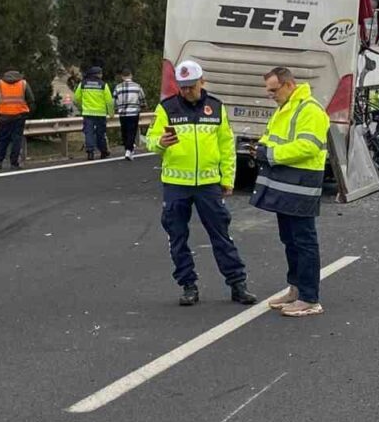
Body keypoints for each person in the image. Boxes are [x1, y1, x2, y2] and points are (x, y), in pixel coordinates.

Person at [146, 60, 252, 307]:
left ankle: (238, 284)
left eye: (191, 87)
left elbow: (227, 146)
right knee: (177, 236)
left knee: (221, 235)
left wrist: (227, 179)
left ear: (202, 82)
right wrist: (160, 142)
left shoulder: (215, 108)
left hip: (208, 184)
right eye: (182, 87)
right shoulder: (167, 108)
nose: (186, 91)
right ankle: (188, 285)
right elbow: (150, 141)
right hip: (176, 184)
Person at [254, 67, 330, 318]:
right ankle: (296, 289)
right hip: (285, 183)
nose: (271, 95)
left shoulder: (310, 110)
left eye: (274, 90)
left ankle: (310, 297)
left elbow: (309, 146)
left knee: (304, 240)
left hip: (302, 183)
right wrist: (261, 148)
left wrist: (272, 154)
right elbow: (270, 137)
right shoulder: (284, 109)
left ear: (289, 85)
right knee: (289, 239)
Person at [0, 69, 35, 171]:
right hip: (19, 115)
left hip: (4, 115)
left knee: (3, 138)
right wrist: (29, 112)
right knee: (17, 139)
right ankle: (14, 162)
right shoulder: (23, 83)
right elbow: (31, 99)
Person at [73, 66, 115, 160]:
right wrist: (111, 113)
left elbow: (76, 99)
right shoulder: (103, 85)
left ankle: (90, 152)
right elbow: (109, 101)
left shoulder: (83, 84)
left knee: (89, 133)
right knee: (101, 133)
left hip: (87, 113)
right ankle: (103, 151)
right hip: (100, 113)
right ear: (98, 74)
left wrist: (81, 108)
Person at [114, 68, 147, 160]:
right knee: (132, 131)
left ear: (122, 77)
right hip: (133, 112)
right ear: (131, 75)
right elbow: (142, 99)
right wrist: (143, 107)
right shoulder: (137, 86)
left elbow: (114, 100)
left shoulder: (118, 87)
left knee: (124, 131)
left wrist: (116, 109)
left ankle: (127, 148)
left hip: (122, 113)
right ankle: (129, 150)